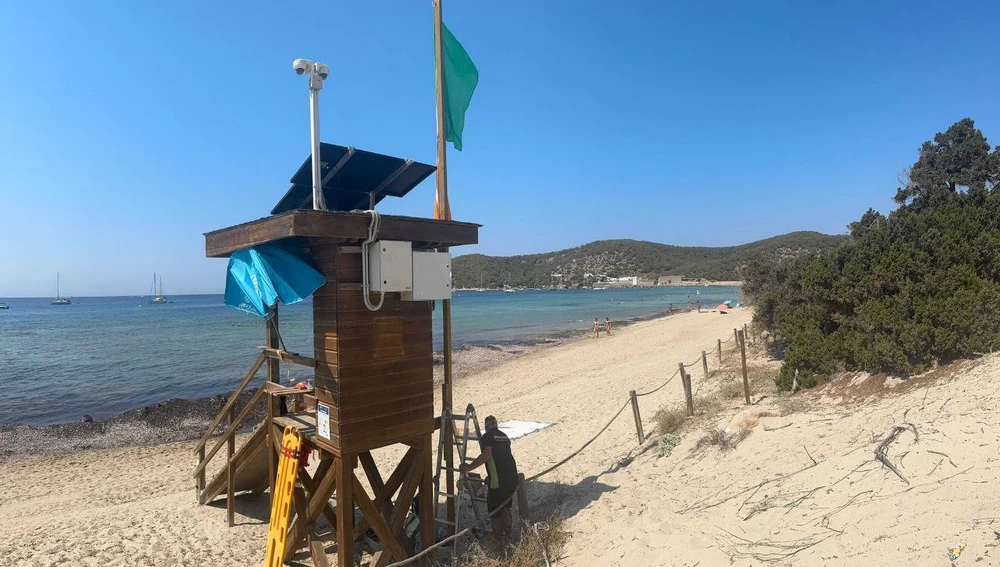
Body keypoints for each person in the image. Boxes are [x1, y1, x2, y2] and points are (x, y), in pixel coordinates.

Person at [459, 415, 519, 545]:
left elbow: (487, 455)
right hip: (512, 477)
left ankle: (498, 541)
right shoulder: (504, 436)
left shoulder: (487, 437)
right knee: (505, 507)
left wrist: (469, 467)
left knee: (495, 512)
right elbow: (501, 457)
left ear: (486, 427)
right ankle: (509, 537)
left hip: (499, 482)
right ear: (496, 425)